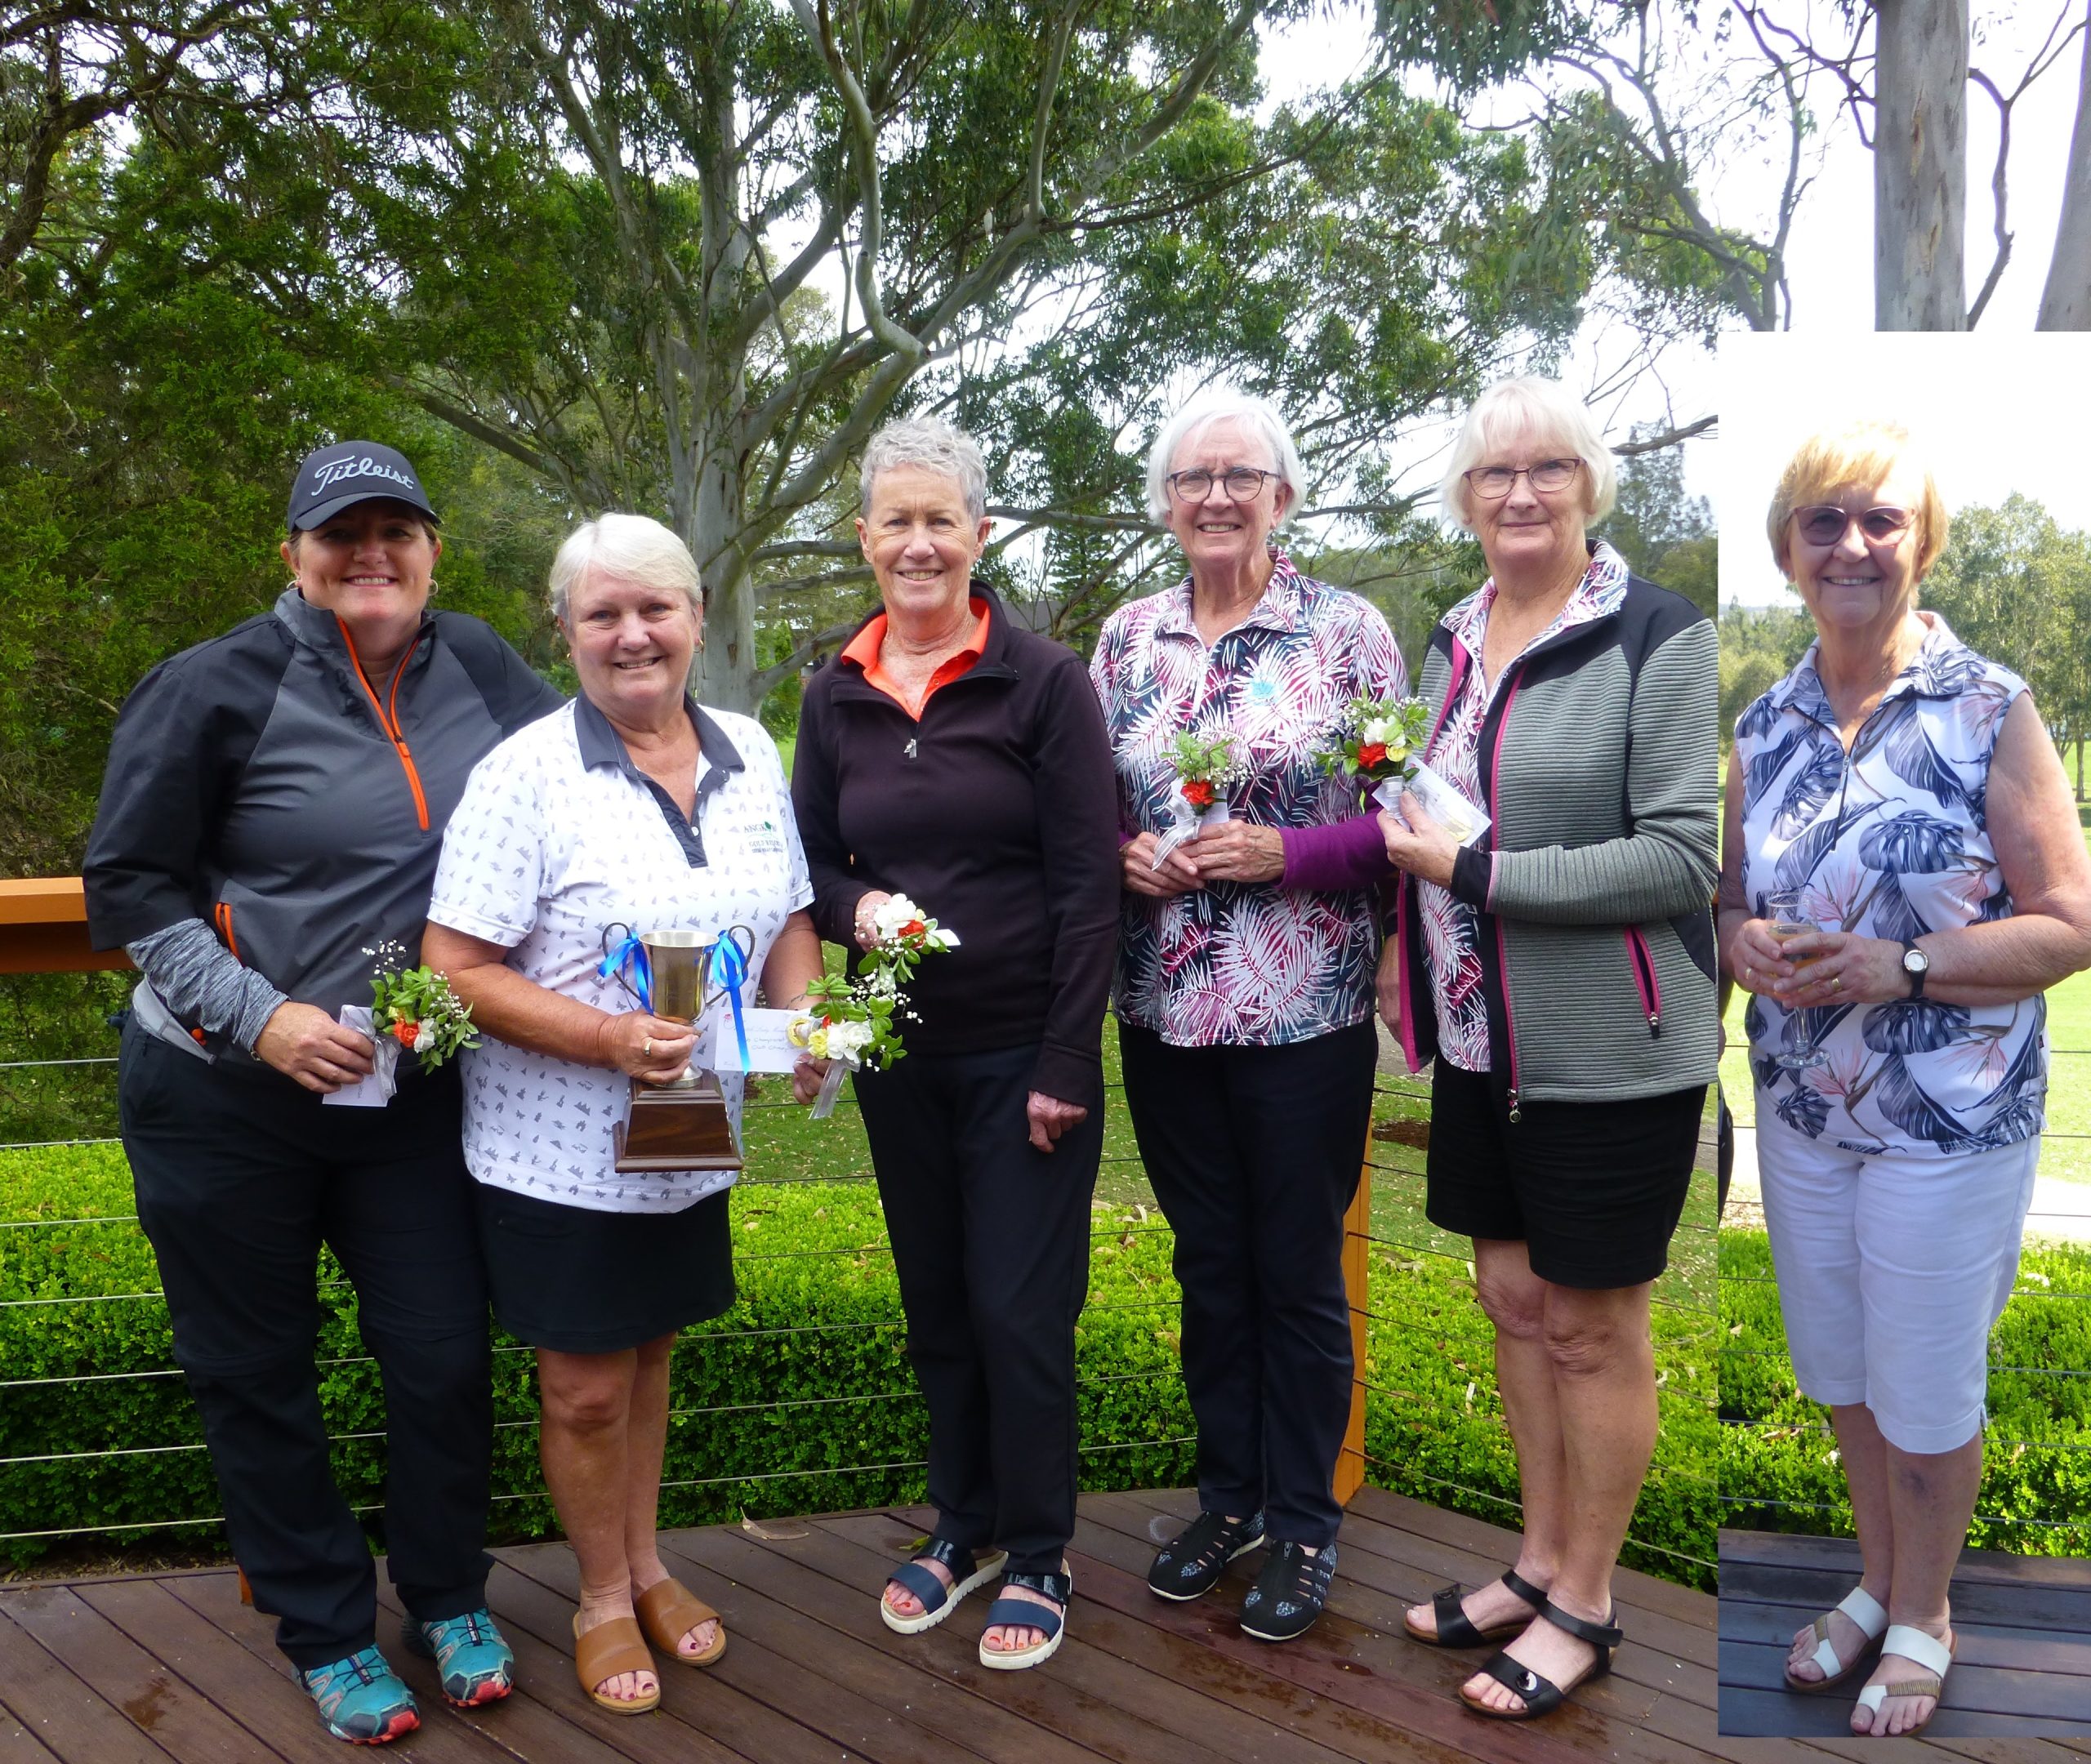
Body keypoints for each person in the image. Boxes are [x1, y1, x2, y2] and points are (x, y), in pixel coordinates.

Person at [82, 442, 560, 1745]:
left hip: (406, 1095)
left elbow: (576, 810)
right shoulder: (212, 686)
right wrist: (259, 1018)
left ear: (432, 549)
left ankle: (448, 1595)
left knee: (443, 1354)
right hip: (221, 1099)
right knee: (258, 1371)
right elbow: (127, 892)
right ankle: (328, 1630)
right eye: (341, 535)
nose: (372, 557)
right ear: (293, 553)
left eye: (395, 531)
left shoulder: (482, 665)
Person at [1718, 421, 2091, 1739]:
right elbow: (1725, 905)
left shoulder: (1990, 708)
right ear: (1785, 553)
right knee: (1846, 1375)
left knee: (1928, 1391)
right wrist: (1742, 944)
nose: (1852, 545)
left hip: (1951, 1120)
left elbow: (2069, 920)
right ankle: (1878, 1586)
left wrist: (1904, 966)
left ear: (1921, 544)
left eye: (1881, 520)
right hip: (1806, 1116)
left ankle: (1929, 1613)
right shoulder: (1762, 721)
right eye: (1824, 523)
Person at [421, 513, 825, 1717]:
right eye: (603, 614)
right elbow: (452, 968)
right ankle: (599, 1598)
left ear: (697, 616)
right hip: (558, 1148)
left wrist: (806, 1026)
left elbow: (794, 917)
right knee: (586, 1386)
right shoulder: (524, 775)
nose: (633, 634)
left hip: (692, 1133)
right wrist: (605, 1036)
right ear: (567, 632)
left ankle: (648, 1566)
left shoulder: (751, 747)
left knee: (650, 1355)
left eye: (656, 608)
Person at [1381, 377, 1718, 1722]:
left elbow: (1679, 855)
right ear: (1465, 499)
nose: (1521, 493)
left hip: (1612, 1050)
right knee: (1514, 1305)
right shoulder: (1453, 635)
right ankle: (1533, 1562)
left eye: (1549, 470)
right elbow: (1426, 800)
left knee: (1590, 1326)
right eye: (1494, 474)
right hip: (1479, 1040)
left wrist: (1478, 869)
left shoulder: (1659, 635)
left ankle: (1587, 1598)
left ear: (1592, 486)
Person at [791, 416, 1118, 1671]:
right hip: (895, 1054)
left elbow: (1089, 882)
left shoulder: (1042, 681)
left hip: (1019, 1058)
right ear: (864, 539)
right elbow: (812, 860)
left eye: (943, 521)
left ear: (981, 537)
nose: (919, 543)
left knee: (1019, 1310)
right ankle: (963, 1526)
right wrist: (850, 908)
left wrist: (1065, 1060)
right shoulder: (834, 692)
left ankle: (1040, 1551)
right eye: (896, 521)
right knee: (938, 1304)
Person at [1090, 390, 1406, 1643]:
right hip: (1163, 1010)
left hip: (1304, 1010)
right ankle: (1227, 1499)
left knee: (1297, 1270)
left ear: (1284, 493)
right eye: (1192, 478)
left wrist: (1288, 852)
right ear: (1166, 503)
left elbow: (1403, 820)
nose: (1215, 496)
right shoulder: (1124, 641)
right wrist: (1124, 852)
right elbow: (1084, 806)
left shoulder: (1348, 636)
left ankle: (1306, 1520)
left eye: (1241, 474)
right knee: (1209, 1267)